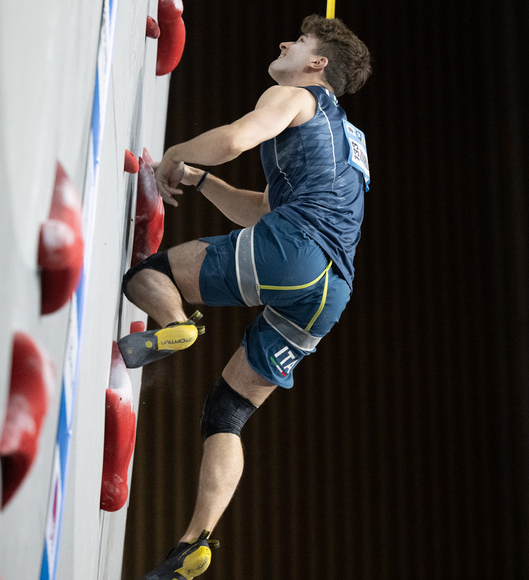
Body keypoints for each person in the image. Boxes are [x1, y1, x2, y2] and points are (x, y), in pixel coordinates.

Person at [118, 14, 372, 579]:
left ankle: (173, 322)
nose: (284, 42)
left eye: (300, 41)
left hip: (297, 248)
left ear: (317, 64)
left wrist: (175, 153)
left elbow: (234, 139)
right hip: (331, 291)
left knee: (148, 274)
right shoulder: (345, 139)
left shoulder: (294, 94)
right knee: (227, 412)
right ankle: (194, 540)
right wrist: (203, 182)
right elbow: (260, 210)